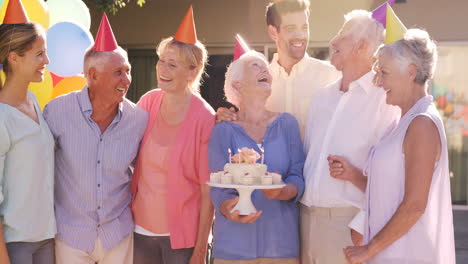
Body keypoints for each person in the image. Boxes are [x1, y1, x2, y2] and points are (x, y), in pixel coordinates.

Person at [334, 28, 456, 264]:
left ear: (411, 72)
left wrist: (369, 249)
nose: (378, 82)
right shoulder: (403, 121)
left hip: (409, 255)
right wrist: (354, 176)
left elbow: (415, 204)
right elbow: (391, 189)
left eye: (384, 73)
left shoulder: (421, 123)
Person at [43, 15, 148, 264]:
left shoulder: (139, 119)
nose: (127, 80)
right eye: (118, 73)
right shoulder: (56, 112)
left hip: (118, 236)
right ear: (93, 75)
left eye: (128, 71)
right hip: (71, 236)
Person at [300, 10, 400, 264]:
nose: (332, 42)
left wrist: (363, 222)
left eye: (341, 35)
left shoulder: (385, 100)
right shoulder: (321, 97)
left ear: (362, 46)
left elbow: (392, 176)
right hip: (303, 221)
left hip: (347, 227)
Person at [131, 8, 215, 264]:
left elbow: (207, 191)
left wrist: (201, 248)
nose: (162, 69)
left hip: (182, 239)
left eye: (172, 64)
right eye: (161, 60)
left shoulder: (204, 117)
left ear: (192, 71)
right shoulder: (148, 102)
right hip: (139, 232)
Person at [209, 50, 305, 264]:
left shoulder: (287, 124)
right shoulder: (223, 130)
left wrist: (284, 191)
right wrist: (227, 207)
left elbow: (298, 175)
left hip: (281, 245)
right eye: (255, 65)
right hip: (233, 247)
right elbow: (217, 186)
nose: (265, 69)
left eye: (266, 67)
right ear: (237, 84)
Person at [217, 0, 340, 137]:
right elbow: (244, 121)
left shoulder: (332, 75)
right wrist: (226, 116)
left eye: (304, 27)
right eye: (291, 28)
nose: (300, 35)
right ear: (273, 32)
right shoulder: (259, 83)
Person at [0, 20, 56, 264]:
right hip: (15, 244)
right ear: (14, 58)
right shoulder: (2, 116)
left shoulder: (33, 101)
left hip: (46, 237)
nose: (47, 61)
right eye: (39, 54)